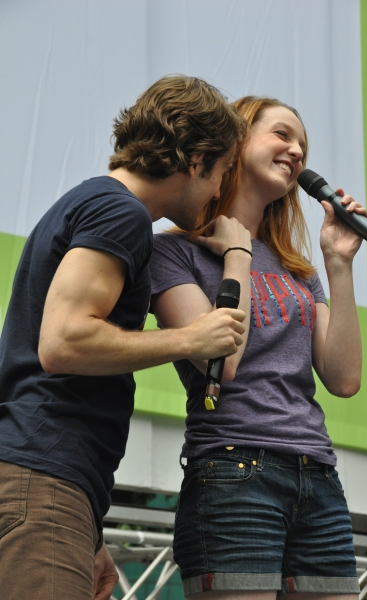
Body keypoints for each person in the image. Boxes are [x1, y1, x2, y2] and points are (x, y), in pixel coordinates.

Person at [0, 75, 248, 600]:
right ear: (196, 160)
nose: (215, 195)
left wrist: (86, 528)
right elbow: (63, 342)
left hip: (48, 486)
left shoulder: (96, 205)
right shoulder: (120, 212)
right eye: (221, 173)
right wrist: (190, 339)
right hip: (41, 480)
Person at [150, 96, 367, 600]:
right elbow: (218, 362)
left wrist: (338, 265)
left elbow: (344, 379)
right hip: (233, 472)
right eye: (282, 134)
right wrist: (238, 255)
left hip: (317, 474)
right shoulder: (173, 250)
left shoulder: (297, 270)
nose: (296, 151)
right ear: (237, 139)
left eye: (303, 146)